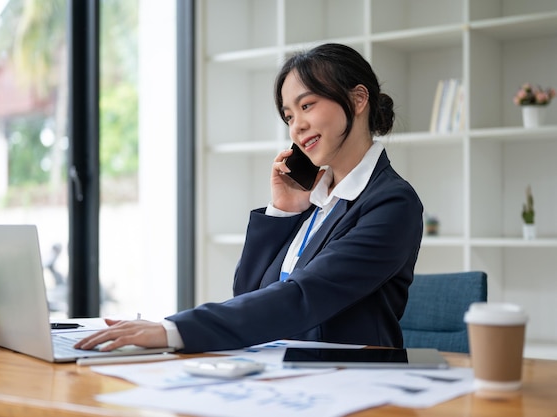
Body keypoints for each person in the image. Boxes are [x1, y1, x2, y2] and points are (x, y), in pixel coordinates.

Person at [75, 43, 423, 354]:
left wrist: (174, 329)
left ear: (358, 99)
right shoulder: (313, 200)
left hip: (349, 378)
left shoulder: (392, 204)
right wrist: (283, 212)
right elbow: (248, 293)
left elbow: (305, 297)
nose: (296, 127)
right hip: (278, 372)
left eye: (307, 105)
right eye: (289, 115)